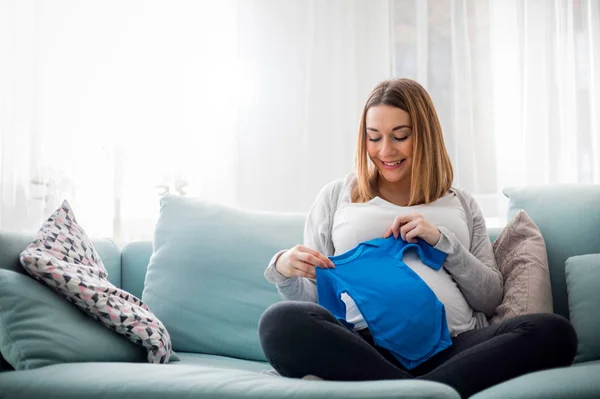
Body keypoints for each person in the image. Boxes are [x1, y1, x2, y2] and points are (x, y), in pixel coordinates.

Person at [258, 78, 577, 398]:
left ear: (424, 135)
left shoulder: (461, 202)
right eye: (374, 137)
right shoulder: (336, 197)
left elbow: (490, 298)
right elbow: (317, 303)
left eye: (400, 136)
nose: (385, 151)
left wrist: (443, 242)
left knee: (554, 332)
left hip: (457, 348)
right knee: (279, 322)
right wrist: (284, 271)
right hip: (362, 346)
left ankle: (403, 391)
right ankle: (429, 391)